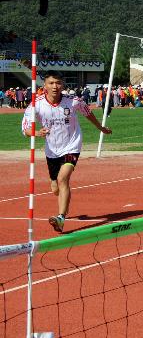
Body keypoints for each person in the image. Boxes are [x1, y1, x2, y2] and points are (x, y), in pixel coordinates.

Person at [21, 71, 112, 233]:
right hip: (52, 150)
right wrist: (36, 133)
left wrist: (100, 128)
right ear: (45, 86)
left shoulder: (74, 101)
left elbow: (88, 113)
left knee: (63, 179)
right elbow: (25, 128)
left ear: (62, 85)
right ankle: (61, 200)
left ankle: (61, 218)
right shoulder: (36, 104)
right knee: (55, 187)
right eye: (51, 83)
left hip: (72, 145)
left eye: (58, 83)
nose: (55, 86)